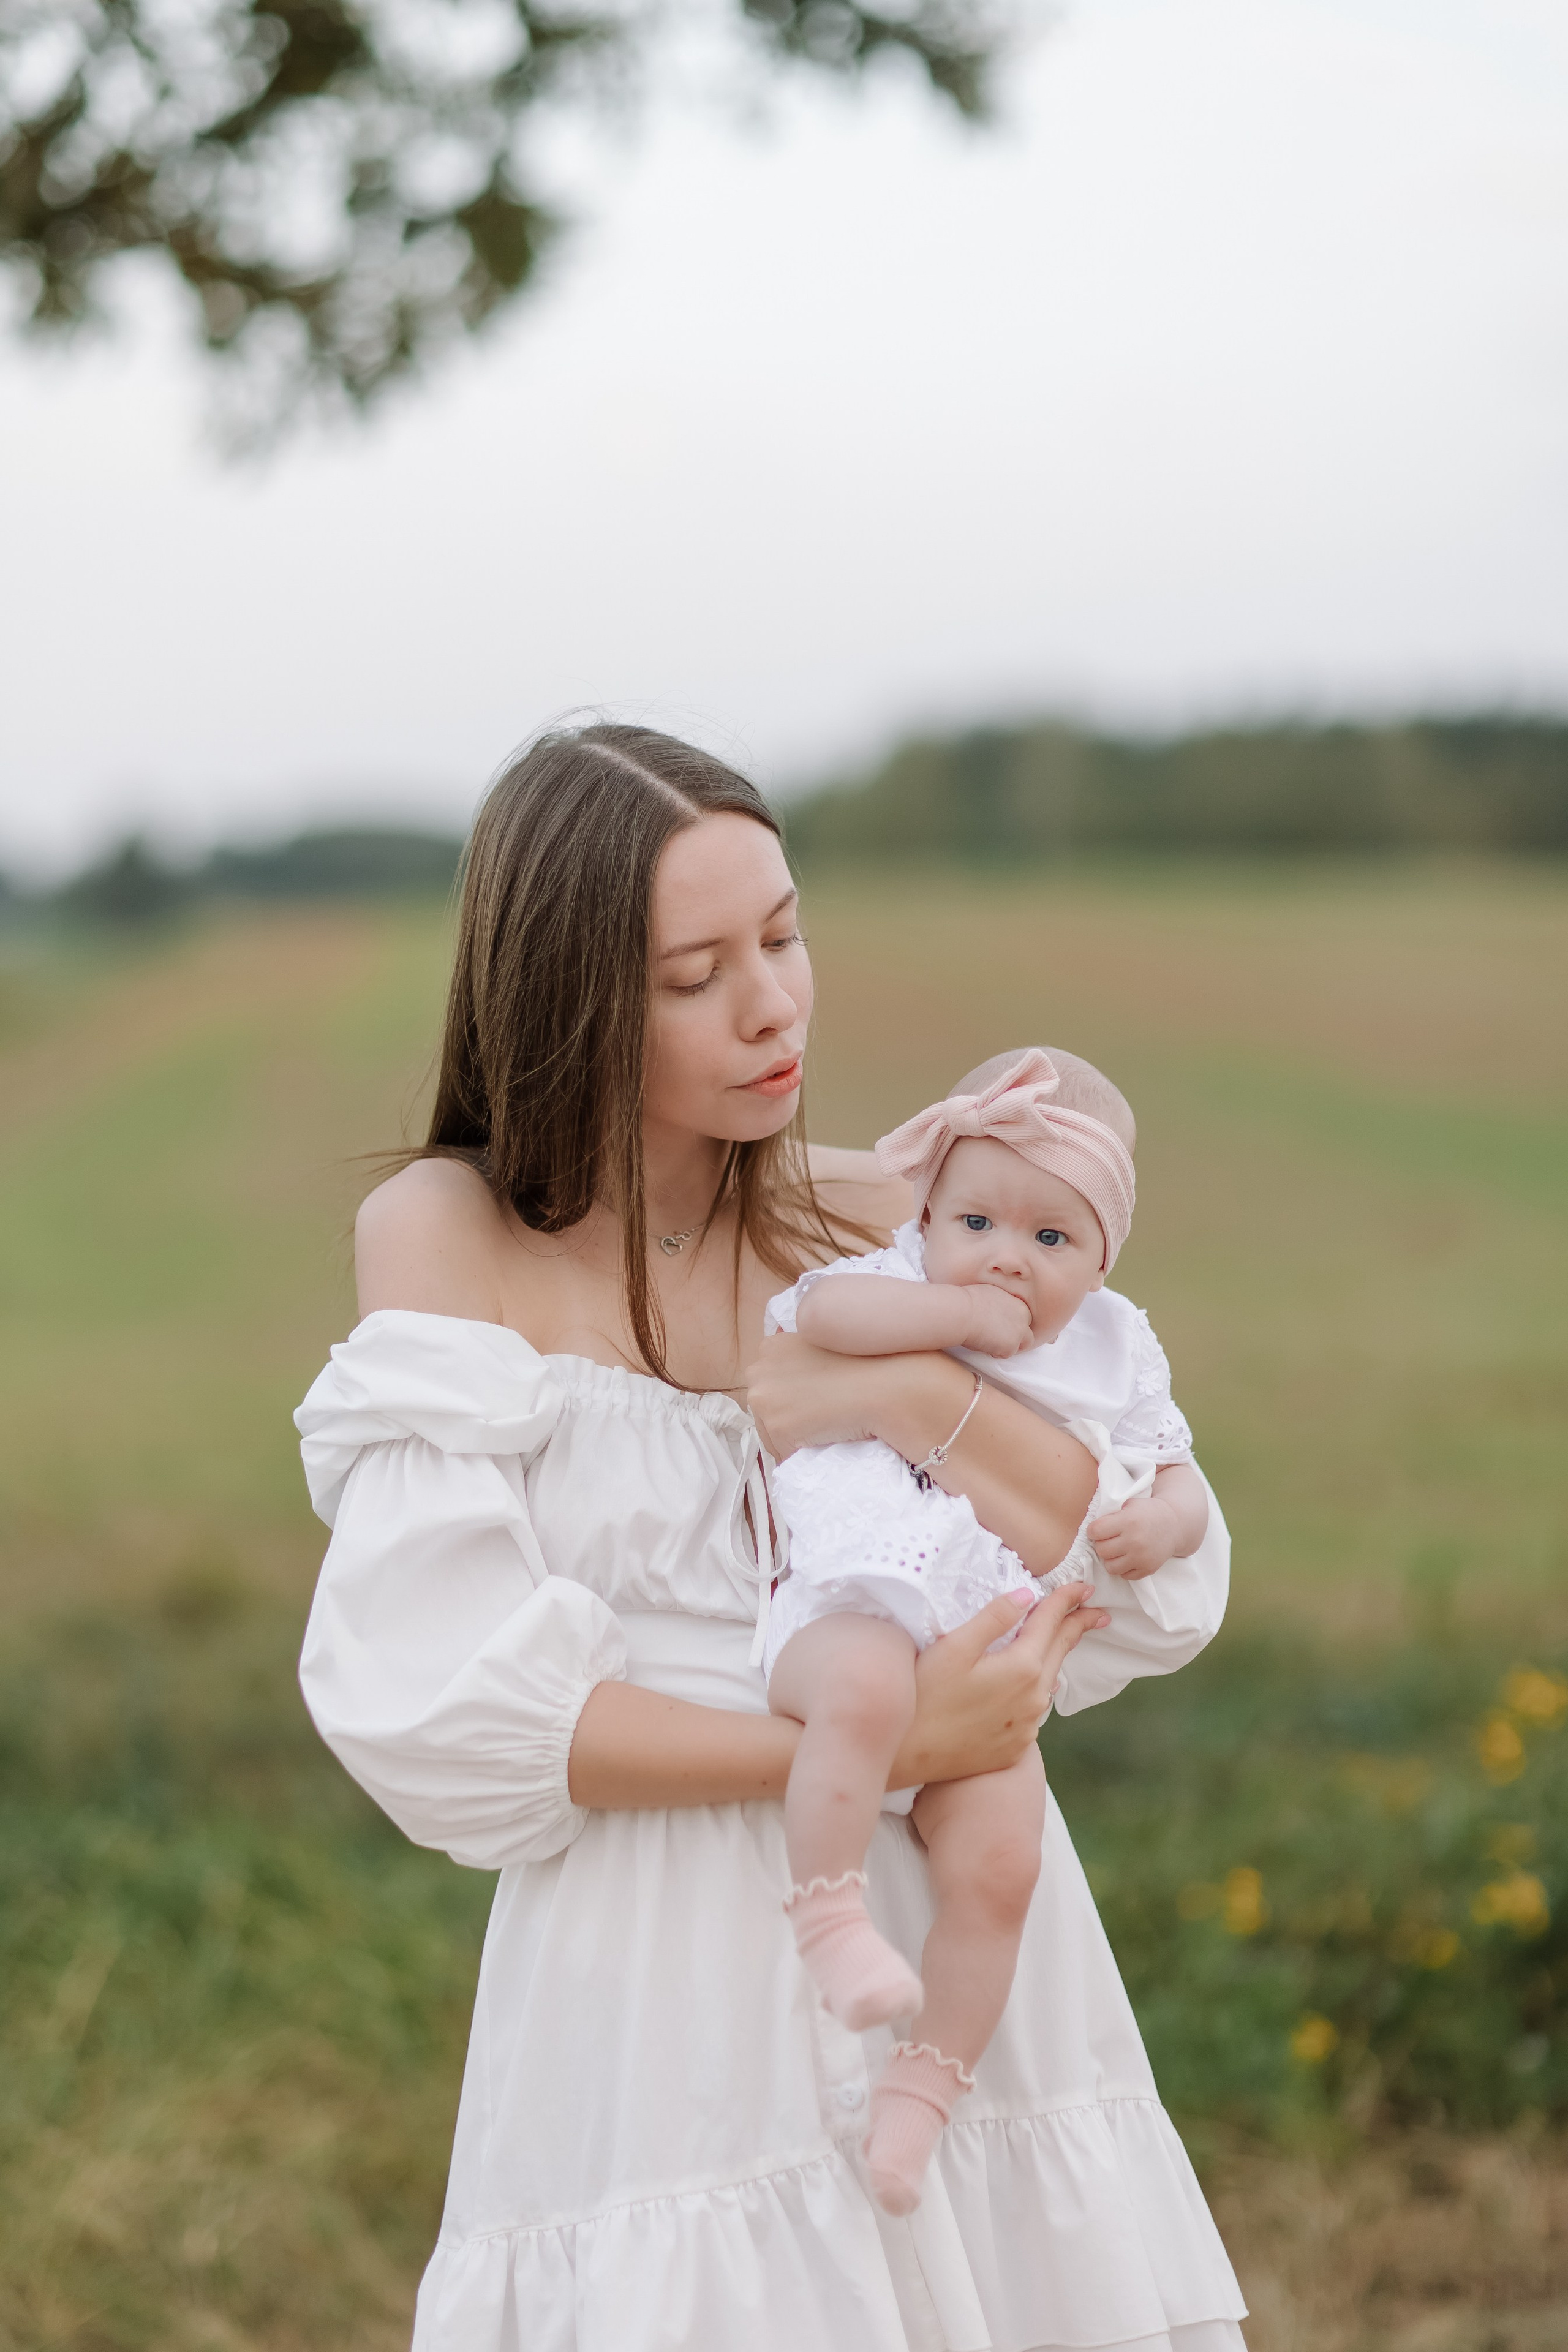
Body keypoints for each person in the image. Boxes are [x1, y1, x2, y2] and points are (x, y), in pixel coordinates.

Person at [295, 723, 1248, 2351]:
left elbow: (1156, 1576)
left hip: (946, 1928)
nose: (773, 1003)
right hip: (659, 1970)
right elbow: (436, 1695)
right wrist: (867, 1734)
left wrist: (900, 1403)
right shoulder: (443, 1235)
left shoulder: (867, 1223)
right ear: (569, 994)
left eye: (786, 936)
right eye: (695, 972)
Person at [760, 1046, 1218, 2215]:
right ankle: (829, 1913)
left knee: (1004, 1864)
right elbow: (818, 1309)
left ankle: (927, 2088)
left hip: (989, 1650)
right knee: (859, 1701)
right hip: (865, 1588)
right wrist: (948, 1310)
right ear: (929, 1214)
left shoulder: (1115, 1344)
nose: (1008, 1255)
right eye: (976, 1220)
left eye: (1053, 1240)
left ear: (1105, 1259)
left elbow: (1180, 1475)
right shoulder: (901, 1274)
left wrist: (1160, 1524)